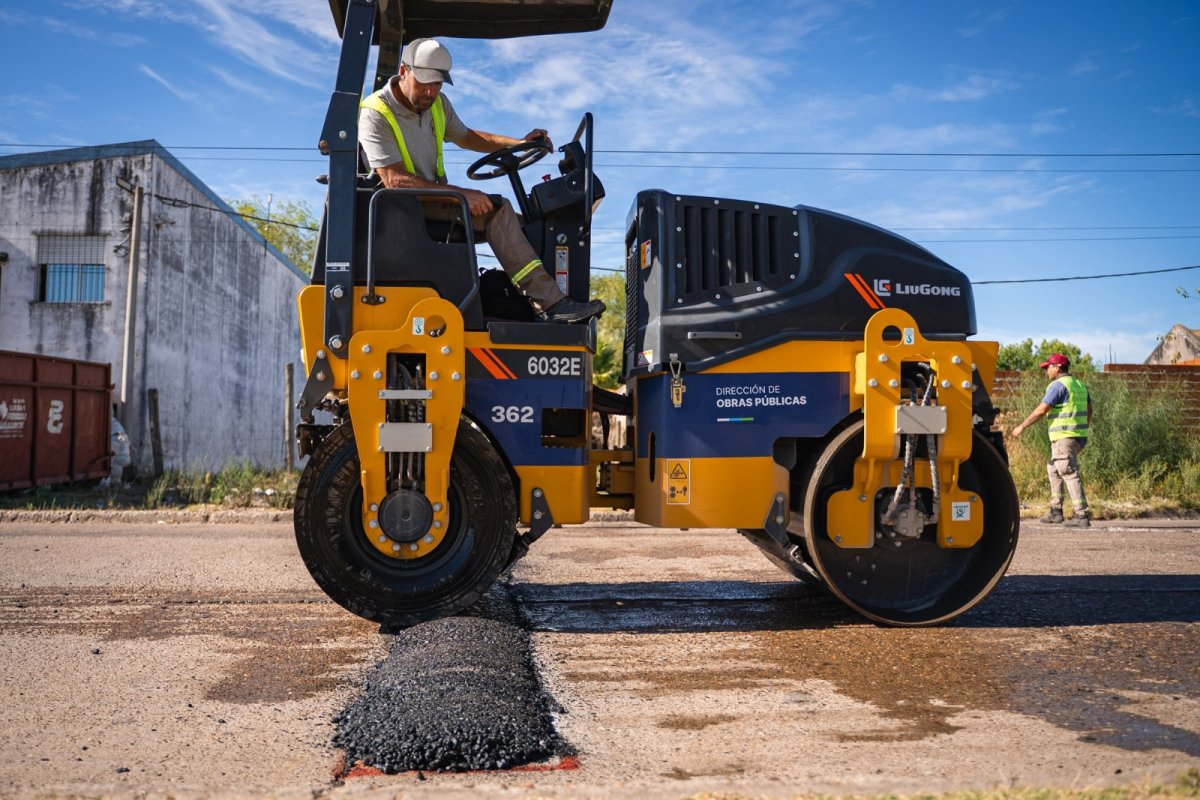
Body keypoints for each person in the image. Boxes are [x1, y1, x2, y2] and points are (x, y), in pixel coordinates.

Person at [357, 38, 605, 324]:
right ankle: (551, 304)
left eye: (437, 84)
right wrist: (463, 195)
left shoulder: (438, 104)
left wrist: (520, 143)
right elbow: (395, 180)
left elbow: (468, 137)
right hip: (403, 208)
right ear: (404, 71)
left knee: (527, 225)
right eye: (423, 82)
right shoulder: (375, 112)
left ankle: (517, 305)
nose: (430, 91)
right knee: (499, 212)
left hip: (431, 200)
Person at [1010, 353, 1093, 527]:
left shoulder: (1057, 386)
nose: (1046, 370)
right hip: (1077, 436)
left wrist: (1022, 427)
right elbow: (1089, 410)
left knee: (1067, 471)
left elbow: (1041, 411)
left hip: (1064, 436)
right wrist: (1081, 428)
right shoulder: (1080, 385)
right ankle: (1056, 511)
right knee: (1053, 468)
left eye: (1048, 367)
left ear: (1058, 367)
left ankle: (1081, 514)